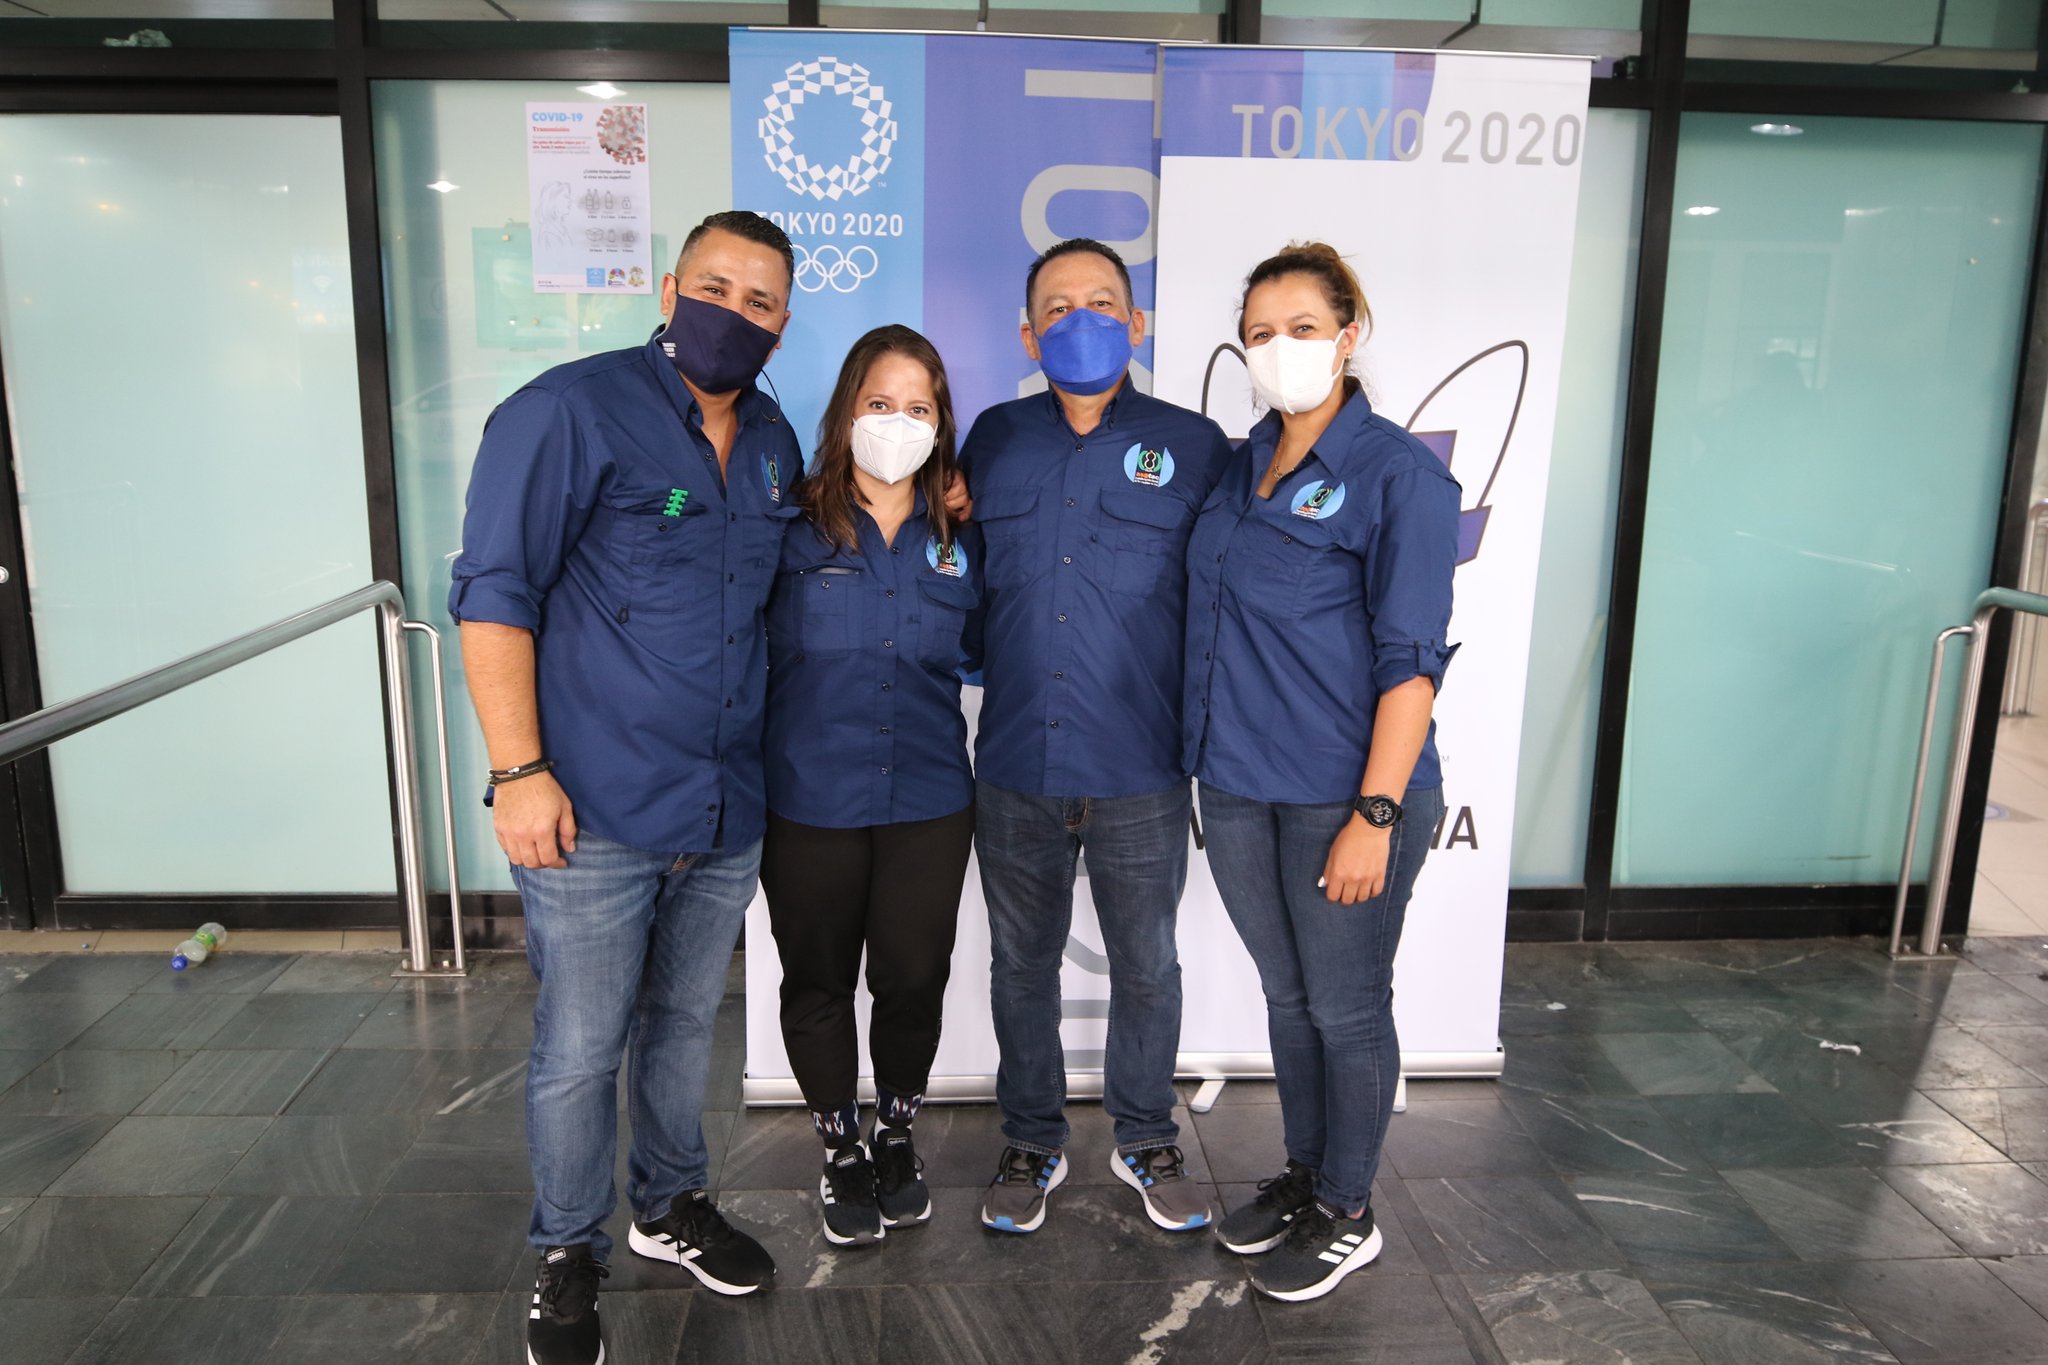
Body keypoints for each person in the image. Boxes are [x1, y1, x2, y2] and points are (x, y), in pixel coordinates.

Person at [450, 210, 799, 1365]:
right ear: (668, 288)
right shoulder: (565, 411)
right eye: (715, 287)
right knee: (580, 1044)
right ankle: (566, 1250)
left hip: (723, 808)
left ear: (782, 321)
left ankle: (669, 1205)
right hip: (591, 806)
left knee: (684, 1026)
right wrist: (518, 772)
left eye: (760, 302)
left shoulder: (770, 441)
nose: (732, 314)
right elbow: (494, 596)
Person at [1183, 242, 1459, 1302]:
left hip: (1345, 795)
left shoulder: (1398, 476)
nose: (1277, 349)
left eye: (1301, 327)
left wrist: (1374, 812)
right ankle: (1305, 1175)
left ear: (1349, 335)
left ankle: (1349, 1208)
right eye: (1258, 332)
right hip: (1238, 784)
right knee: (1288, 997)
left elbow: (1411, 664)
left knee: (1346, 1006)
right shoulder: (1238, 464)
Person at [961, 238, 1233, 1235]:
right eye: (1058, 306)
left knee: (1146, 963)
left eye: (1104, 302)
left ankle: (1144, 1135)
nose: (1082, 320)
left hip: (1139, 764)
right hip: (1016, 761)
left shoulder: (1195, 446)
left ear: (1137, 322)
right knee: (1020, 965)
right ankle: (1031, 1140)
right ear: (1028, 332)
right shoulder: (989, 440)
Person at [758, 324, 981, 1248]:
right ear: (848, 410)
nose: (897, 421)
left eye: (918, 407)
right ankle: (838, 1144)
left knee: (913, 978)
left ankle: (894, 1131)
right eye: (879, 403)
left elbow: (985, 650)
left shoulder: (962, 536)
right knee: (816, 978)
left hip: (930, 797)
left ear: (941, 424)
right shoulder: (789, 526)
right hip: (809, 796)